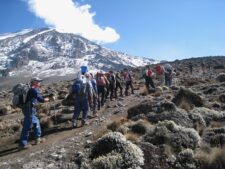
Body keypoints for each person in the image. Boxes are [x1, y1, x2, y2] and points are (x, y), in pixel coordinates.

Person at [19, 77, 51, 149]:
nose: (40, 82)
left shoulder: (30, 89)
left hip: (27, 108)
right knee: (27, 126)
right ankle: (22, 144)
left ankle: (38, 138)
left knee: (36, 122)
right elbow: (40, 99)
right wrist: (48, 99)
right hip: (29, 109)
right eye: (38, 81)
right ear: (34, 82)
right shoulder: (33, 90)